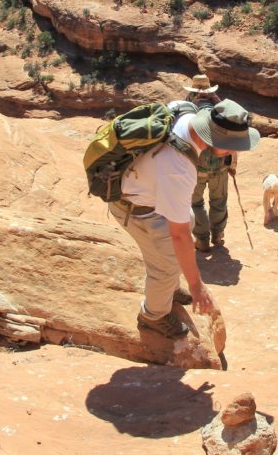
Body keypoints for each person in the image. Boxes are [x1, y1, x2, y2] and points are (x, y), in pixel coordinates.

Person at [109, 99, 260, 338]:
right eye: (231, 145)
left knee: (187, 218)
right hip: (136, 206)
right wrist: (196, 286)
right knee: (166, 264)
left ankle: (167, 287)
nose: (232, 152)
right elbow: (178, 236)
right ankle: (153, 315)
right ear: (214, 139)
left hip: (143, 188)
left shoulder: (186, 112)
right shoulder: (180, 168)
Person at [180, 74, 235, 251]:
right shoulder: (221, 110)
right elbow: (233, 139)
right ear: (210, 90)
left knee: (195, 203)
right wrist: (232, 164)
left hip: (195, 167)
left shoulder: (187, 110)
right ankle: (218, 235)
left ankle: (202, 239)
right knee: (219, 200)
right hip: (220, 165)